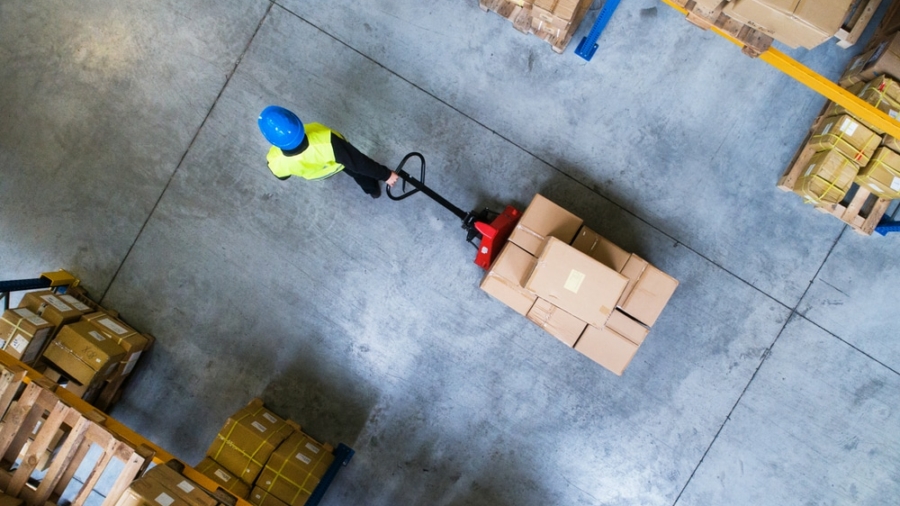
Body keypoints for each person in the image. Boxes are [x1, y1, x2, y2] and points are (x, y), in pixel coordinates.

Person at [257, 106, 399, 199]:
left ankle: (372, 192)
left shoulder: (275, 161)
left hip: (319, 174)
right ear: (297, 122)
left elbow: (282, 176)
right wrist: (386, 175)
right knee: (357, 172)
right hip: (338, 163)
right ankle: (372, 189)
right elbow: (359, 163)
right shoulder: (327, 142)